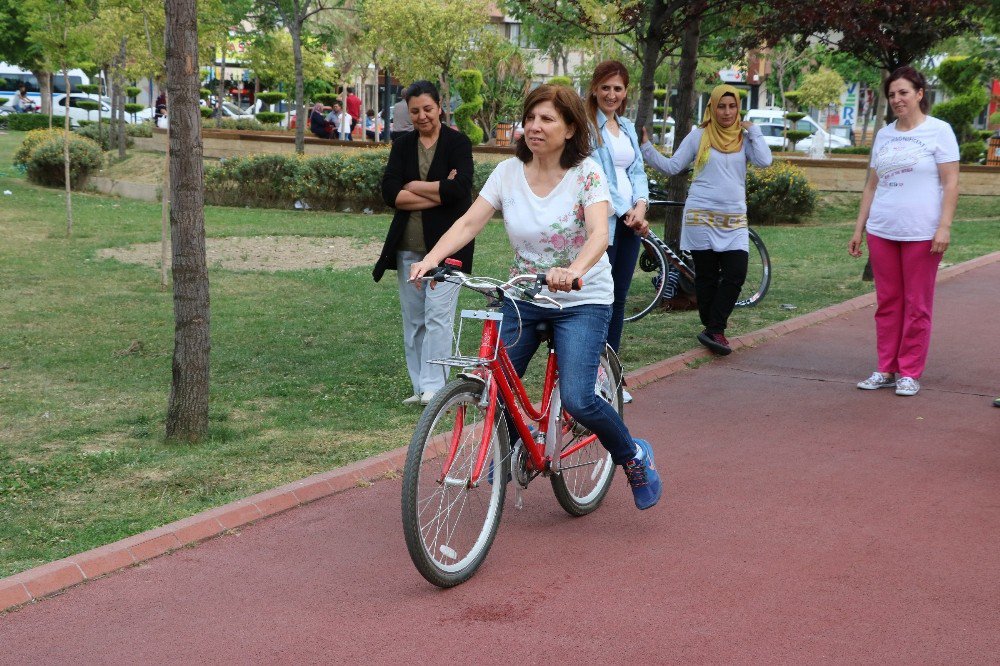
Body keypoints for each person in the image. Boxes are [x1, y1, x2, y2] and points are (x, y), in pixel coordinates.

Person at [408, 84, 662, 510]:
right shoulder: (508, 173)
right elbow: (470, 222)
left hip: (582, 297)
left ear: (569, 128)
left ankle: (634, 456)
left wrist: (574, 271)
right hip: (525, 293)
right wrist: (430, 259)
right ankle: (513, 449)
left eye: (547, 119)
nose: (535, 127)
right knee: (495, 378)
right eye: (530, 118)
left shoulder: (587, 173)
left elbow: (601, 233)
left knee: (580, 398)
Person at [848, 66, 959, 397]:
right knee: (888, 302)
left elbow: (951, 182)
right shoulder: (884, 135)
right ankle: (886, 367)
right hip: (882, 229)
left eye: (904, 93)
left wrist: (944, 227)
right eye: (892, 94)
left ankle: (909, 371)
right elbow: (871, 186)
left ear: (919, 94)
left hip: (922, 233)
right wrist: (859, 228)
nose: (897, 99)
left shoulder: (939, 131)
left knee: (917, 304)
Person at [640, 84, 772, 355]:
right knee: (708, 277)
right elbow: (674, 166)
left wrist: (754, 130)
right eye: (721, 106)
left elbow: (765, 161)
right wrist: (646, 149)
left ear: (738, 108)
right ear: (711, 107)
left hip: (734, 218)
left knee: (736, 273)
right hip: (701, 215)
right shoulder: (699, 136)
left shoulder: (744, 139)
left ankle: (713, 327)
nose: (726, 112)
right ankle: (715, 329)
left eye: (732, 106)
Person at [374, 80, 475, 406]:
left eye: (427, 109)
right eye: (414, 111)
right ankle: (419, 388)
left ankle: (435, 387)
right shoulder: (402, 145)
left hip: (447, 249)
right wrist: (436, 192)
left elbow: (459, 190)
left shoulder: (458, 143)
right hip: (408, 247)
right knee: (414, 320)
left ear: (439, 107)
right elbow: (390, 192)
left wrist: (413, 185)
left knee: (437, 319)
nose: (421, 116)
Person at [585, 60, 649, 404]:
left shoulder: (625, 126)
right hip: (605, 222)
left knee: (619, 298)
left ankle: (612, 375)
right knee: (600, 300)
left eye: (618, 88)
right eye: (606, 87)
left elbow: (638, 171)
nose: (612, 94)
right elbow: (599, 177)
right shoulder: (587, 127)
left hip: (630, 224)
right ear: (595, 88)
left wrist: (640, 206)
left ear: (626, 93)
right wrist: (626, 211)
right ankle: (592, 377)